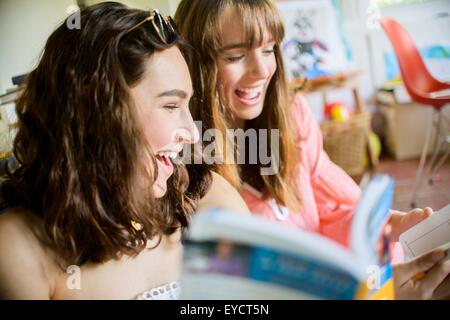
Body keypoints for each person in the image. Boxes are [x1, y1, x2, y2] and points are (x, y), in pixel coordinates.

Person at [175, 0, 450, 299]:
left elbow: (330, 210)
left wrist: (391, 226)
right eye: (236, 55)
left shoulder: (292, 116)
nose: (261, 70)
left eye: (269, 50)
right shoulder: (185, 155)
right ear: (196, 62)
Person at [0, 2, 247, 300]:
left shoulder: (207, 200)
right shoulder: (18, 247)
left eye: (187, 105)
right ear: (98, 114)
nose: (192, 133)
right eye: (170, 106)